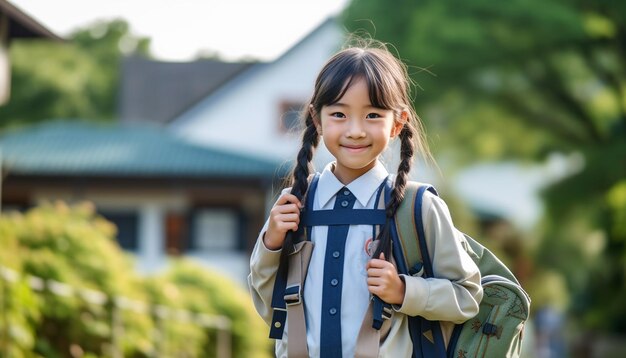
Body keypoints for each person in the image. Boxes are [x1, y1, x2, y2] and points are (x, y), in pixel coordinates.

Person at [248, 40, 483, 358]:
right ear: (318, 121)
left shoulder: (417, 207)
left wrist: (402, 291)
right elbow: (268, 309)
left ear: (397, 123)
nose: (355, 130)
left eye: (372, 115)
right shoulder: (294, 206)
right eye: (339, 114)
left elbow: (467, 296)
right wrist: (272, 243)